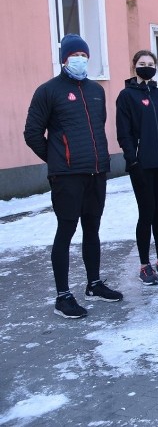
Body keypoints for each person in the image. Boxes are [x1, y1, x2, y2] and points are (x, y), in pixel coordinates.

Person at [24, 34, 123, 318]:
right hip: (66, 177)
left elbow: (99, 127)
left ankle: (94, 284)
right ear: (64, 60)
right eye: (73, 56)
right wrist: (58, 160)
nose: (79, 60)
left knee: (92, 229)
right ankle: (63, 296)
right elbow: (32, 133)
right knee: (65, 232)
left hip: (96, 173)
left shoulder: (95, 91)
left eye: (84, 56)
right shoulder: (48, 91)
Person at [116, 50, 158, 286]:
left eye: (151, 63)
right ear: (134, 66)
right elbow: (123, 133)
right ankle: (144, 265)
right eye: (142, 63)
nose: (147, 67)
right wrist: (132, 160)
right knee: (146, 213)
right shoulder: (126, 96)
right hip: (142, 166)